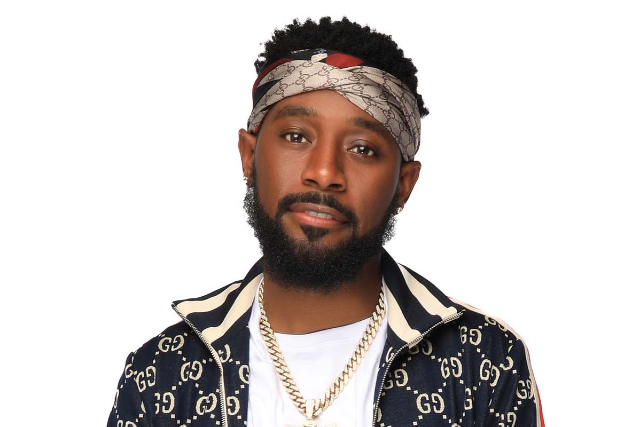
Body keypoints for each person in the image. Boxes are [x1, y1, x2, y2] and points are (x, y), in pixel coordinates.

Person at [107, 17, 544, 427]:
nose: (324, 172)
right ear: (249, 156)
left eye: (362, 149)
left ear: (403, 185)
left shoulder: (485, 360)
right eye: (296, 136)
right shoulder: (161, 371)